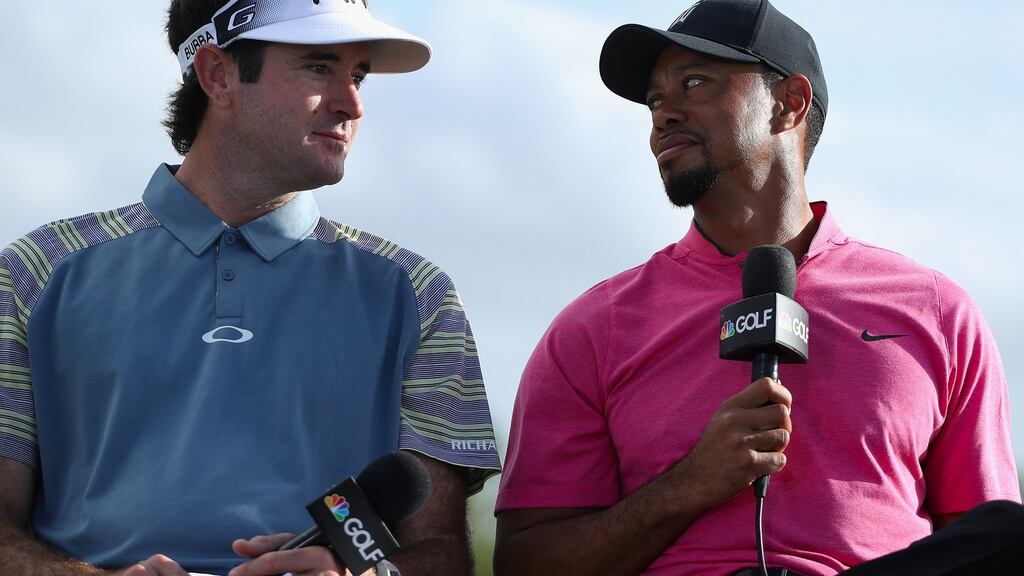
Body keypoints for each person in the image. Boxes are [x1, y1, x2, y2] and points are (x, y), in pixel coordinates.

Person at [493, 1, 1021, 575]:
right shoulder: (593, 328)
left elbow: (983, 541)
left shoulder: (938, 312)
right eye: (654, 100)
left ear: (789, 103)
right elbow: (525, 564)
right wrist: (691, 483)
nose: (664, 114)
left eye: (693, 82)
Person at [0, 1, 500, 575]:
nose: (352, 103)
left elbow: (440, 555)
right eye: (319, 67)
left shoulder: (419, 295)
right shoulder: (34, 273)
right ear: (218, 74)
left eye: (357, 75)